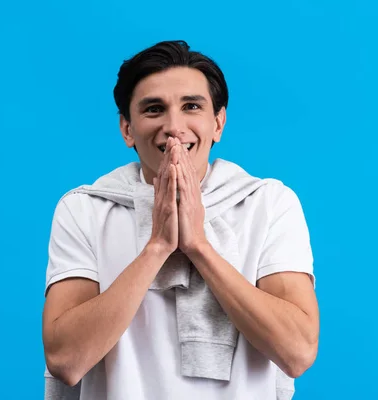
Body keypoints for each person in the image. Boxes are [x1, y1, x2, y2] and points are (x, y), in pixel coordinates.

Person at [42, 40, 319, 400]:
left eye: (191, 106)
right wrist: (157, 246)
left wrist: (198, 246)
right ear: (127, 129)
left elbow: (296, 352)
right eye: (154, 109)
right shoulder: (84, 209)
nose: (174, 127)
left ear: (218, 122)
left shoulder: (268, 204)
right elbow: (65, 360)